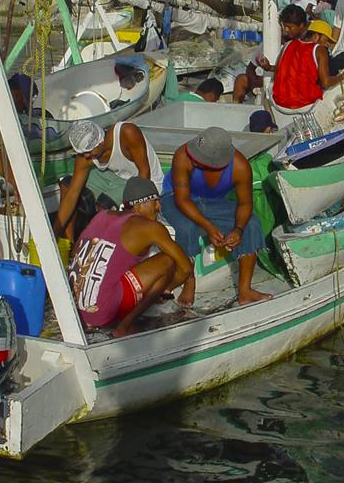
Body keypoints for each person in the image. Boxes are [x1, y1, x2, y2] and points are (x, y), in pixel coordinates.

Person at [160, 127, 272, 309]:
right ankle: (189, 280)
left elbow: (245, 204)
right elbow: (182, 200)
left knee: (251, 224)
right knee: (187, 227)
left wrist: (238, 229)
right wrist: (209, 227)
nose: (194, 159)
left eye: (200, 159)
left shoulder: (240, 166)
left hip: (213, 202)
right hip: (176, 197)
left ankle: (245, 291)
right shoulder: (182, 155)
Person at [68, 176, 192, 337]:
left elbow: (76, 252)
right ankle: (126, 326)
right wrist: (163, 290)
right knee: (167, 261)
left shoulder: (102, 215)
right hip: (103, 312)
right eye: (155, 201)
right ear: (140, 205)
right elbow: (185, 268)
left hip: (78, 310)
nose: (158, 207)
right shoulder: (150, 228)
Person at [57, 119, 164, 230]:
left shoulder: (127, 132)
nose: (86, 156)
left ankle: (102, 241)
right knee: (67, 184)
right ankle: (65, 241)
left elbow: (144, 173)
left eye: (89, 152)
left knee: (104, 204)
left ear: (100, 142)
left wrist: (138, 208)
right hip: (114, 176)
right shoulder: (86, 157)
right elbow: (72, 195)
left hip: (144, 182)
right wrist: (53, 233)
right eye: (82, 153)